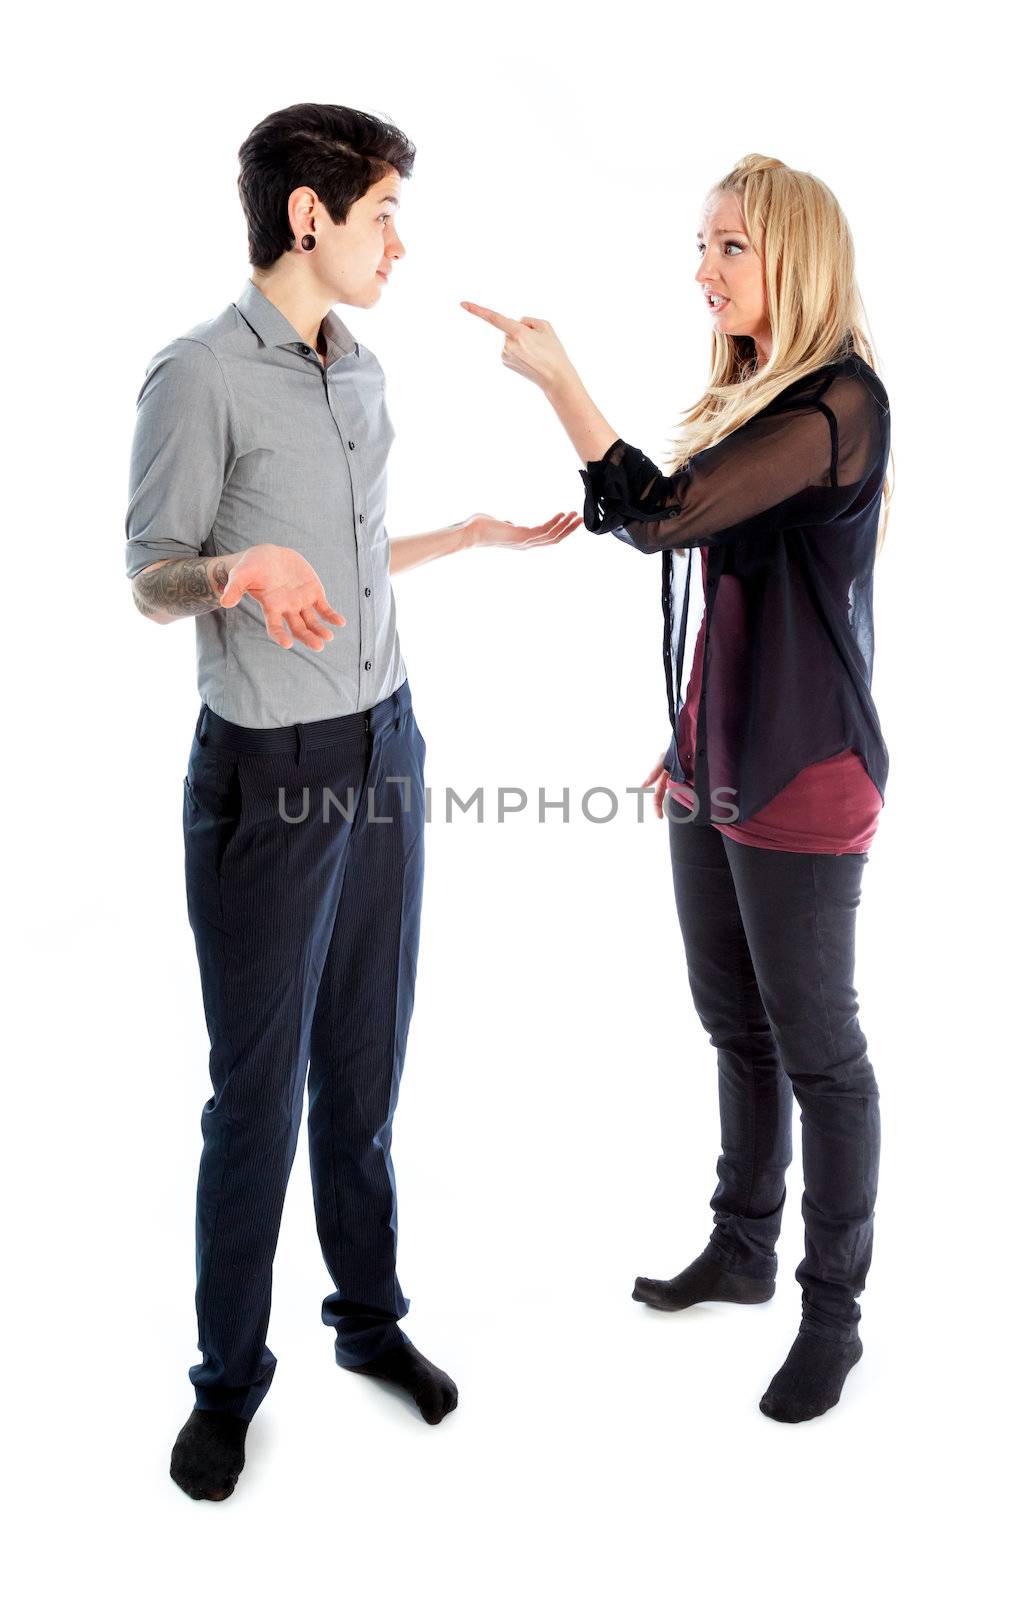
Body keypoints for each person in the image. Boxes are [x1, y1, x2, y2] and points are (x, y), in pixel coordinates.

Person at [124, 101, 580, 1501]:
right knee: (255, 1099)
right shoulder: (197, 375)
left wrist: (477, 538)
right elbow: (150, 574)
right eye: (383, 212)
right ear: (308, 218)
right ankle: (224, 1387)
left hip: (387, 746)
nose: (400, 240)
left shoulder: (360, 371)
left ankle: (368, 1323)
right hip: (270, 777)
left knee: (366, 1070)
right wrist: (235, 575)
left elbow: (363, 550)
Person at [462, 153, 892, 1424]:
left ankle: (833, 1313)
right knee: (734, 1023)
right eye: (700, 246)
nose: (701, 271)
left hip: (806, 774)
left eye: (728, 249)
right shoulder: (757, 391)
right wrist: (692, 734)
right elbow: (712, 572)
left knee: (823, 1052)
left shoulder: (838, 405)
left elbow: (655, 515)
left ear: (794, 259)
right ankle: (744, 1246)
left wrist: (561, 385)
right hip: (717, 762)